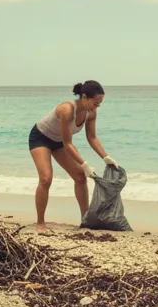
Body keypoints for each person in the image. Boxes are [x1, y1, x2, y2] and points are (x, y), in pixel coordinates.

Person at [29, 81, 116, 232]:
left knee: (80, 177)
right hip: (40, 137)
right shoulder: (67, 110)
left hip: (58, 141)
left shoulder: (91, 113)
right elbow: (68, 143)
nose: (98, 106)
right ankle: (40, 223)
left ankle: (85, 220)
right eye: (96, 102)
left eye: (100, 103)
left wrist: (106, 157)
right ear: (84, 97)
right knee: (46, 178)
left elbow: (92, 138)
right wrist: (85, 164)